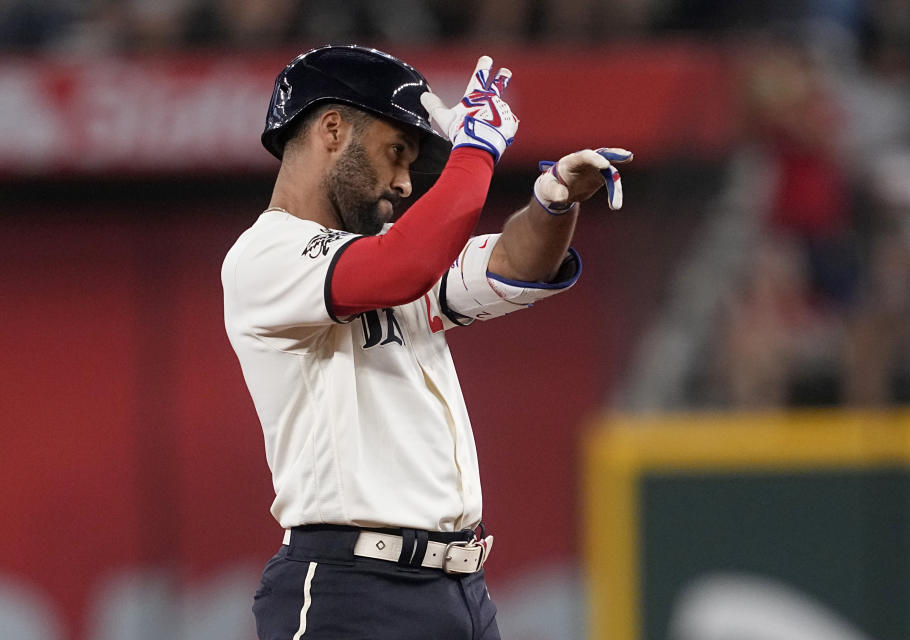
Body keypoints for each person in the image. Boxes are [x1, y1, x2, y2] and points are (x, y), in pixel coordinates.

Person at [221, 45, 632, 640]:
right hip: (352, 589)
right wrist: (478, 148)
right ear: (332, 130)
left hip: (460, 592)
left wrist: (553, 202)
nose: (404, 182)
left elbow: (515, 265)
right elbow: (401, 266)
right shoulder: (263, 256)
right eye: (395, 152)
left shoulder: (392, 249)